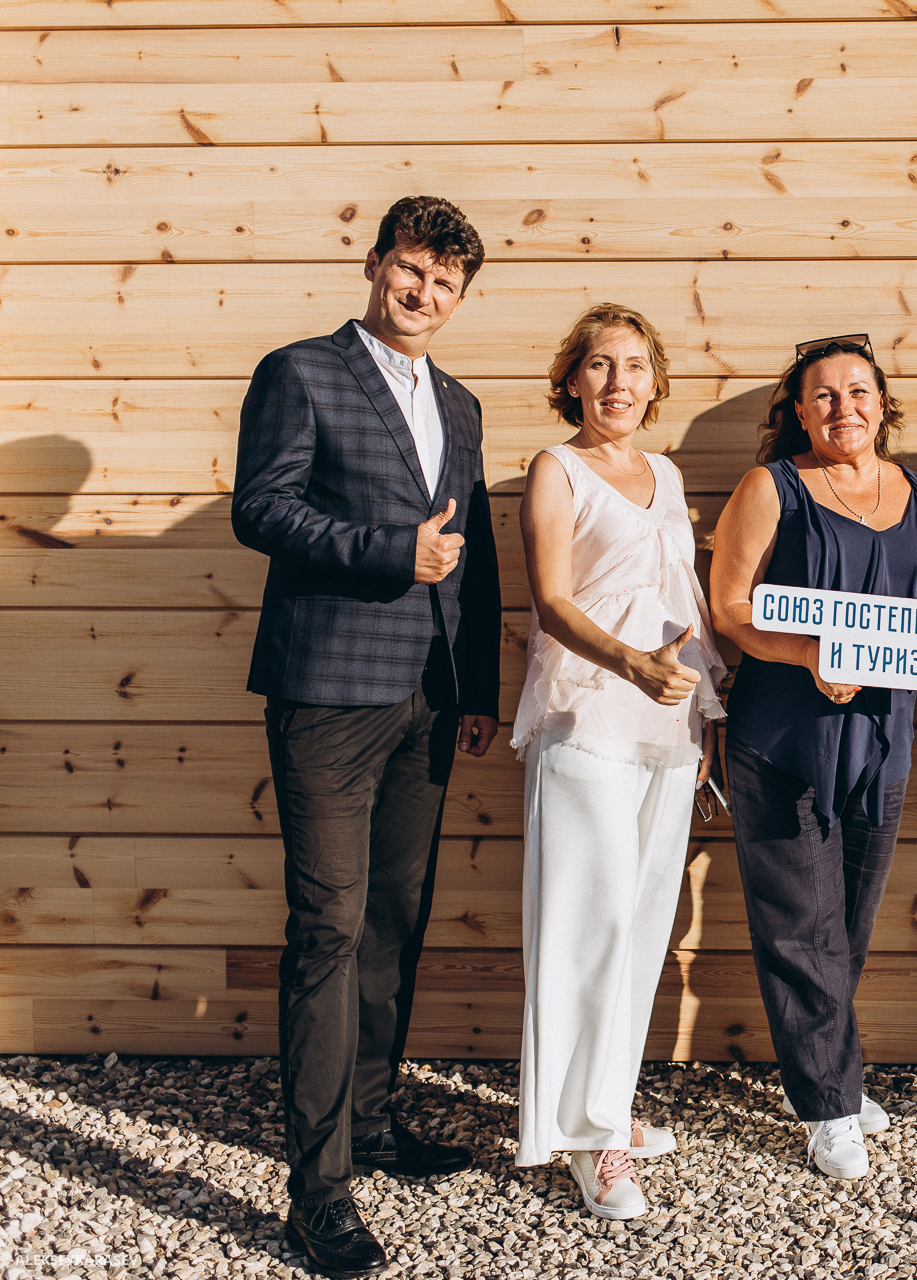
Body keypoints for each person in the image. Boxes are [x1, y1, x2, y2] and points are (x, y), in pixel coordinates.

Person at [232, 196, 499, 1278]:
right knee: (329, 930)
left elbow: (474, 552)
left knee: (395, 918)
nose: (423, 292)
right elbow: (261, 508)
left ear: (459, 297)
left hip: (428, 701)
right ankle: (318, 1192)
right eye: (411, 269)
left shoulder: (462, 403)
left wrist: (476, 686)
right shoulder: (300, 372)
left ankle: (375, 1123)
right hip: (329, 696)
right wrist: (392, 551)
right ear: (376, 262)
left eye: (445, 282)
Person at [709, 335, 917, 1180]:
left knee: (847, 923)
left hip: (884, 740)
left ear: (883, 404)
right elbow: (730, 607)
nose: (843, 408)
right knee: (798, 927)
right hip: (784, 736)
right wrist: (806, 654)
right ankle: (827, 1105)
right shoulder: (771, 487)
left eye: (858, 391)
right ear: (798, 411)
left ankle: (830, 1072)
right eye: (823, 395)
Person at [511, 304, 727, 1219]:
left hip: (668, 726)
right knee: (584, 924)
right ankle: (584, 1137)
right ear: (573, 380)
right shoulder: (555, 469)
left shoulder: (666, 474)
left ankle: (607, 1102)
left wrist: (704, 715)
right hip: (586, 716)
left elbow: (683, 602)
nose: (618, 383)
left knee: (640, 926)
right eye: (601, 365)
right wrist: (631, 665)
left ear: (655, 382)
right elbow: (551, 600)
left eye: (635, 366)